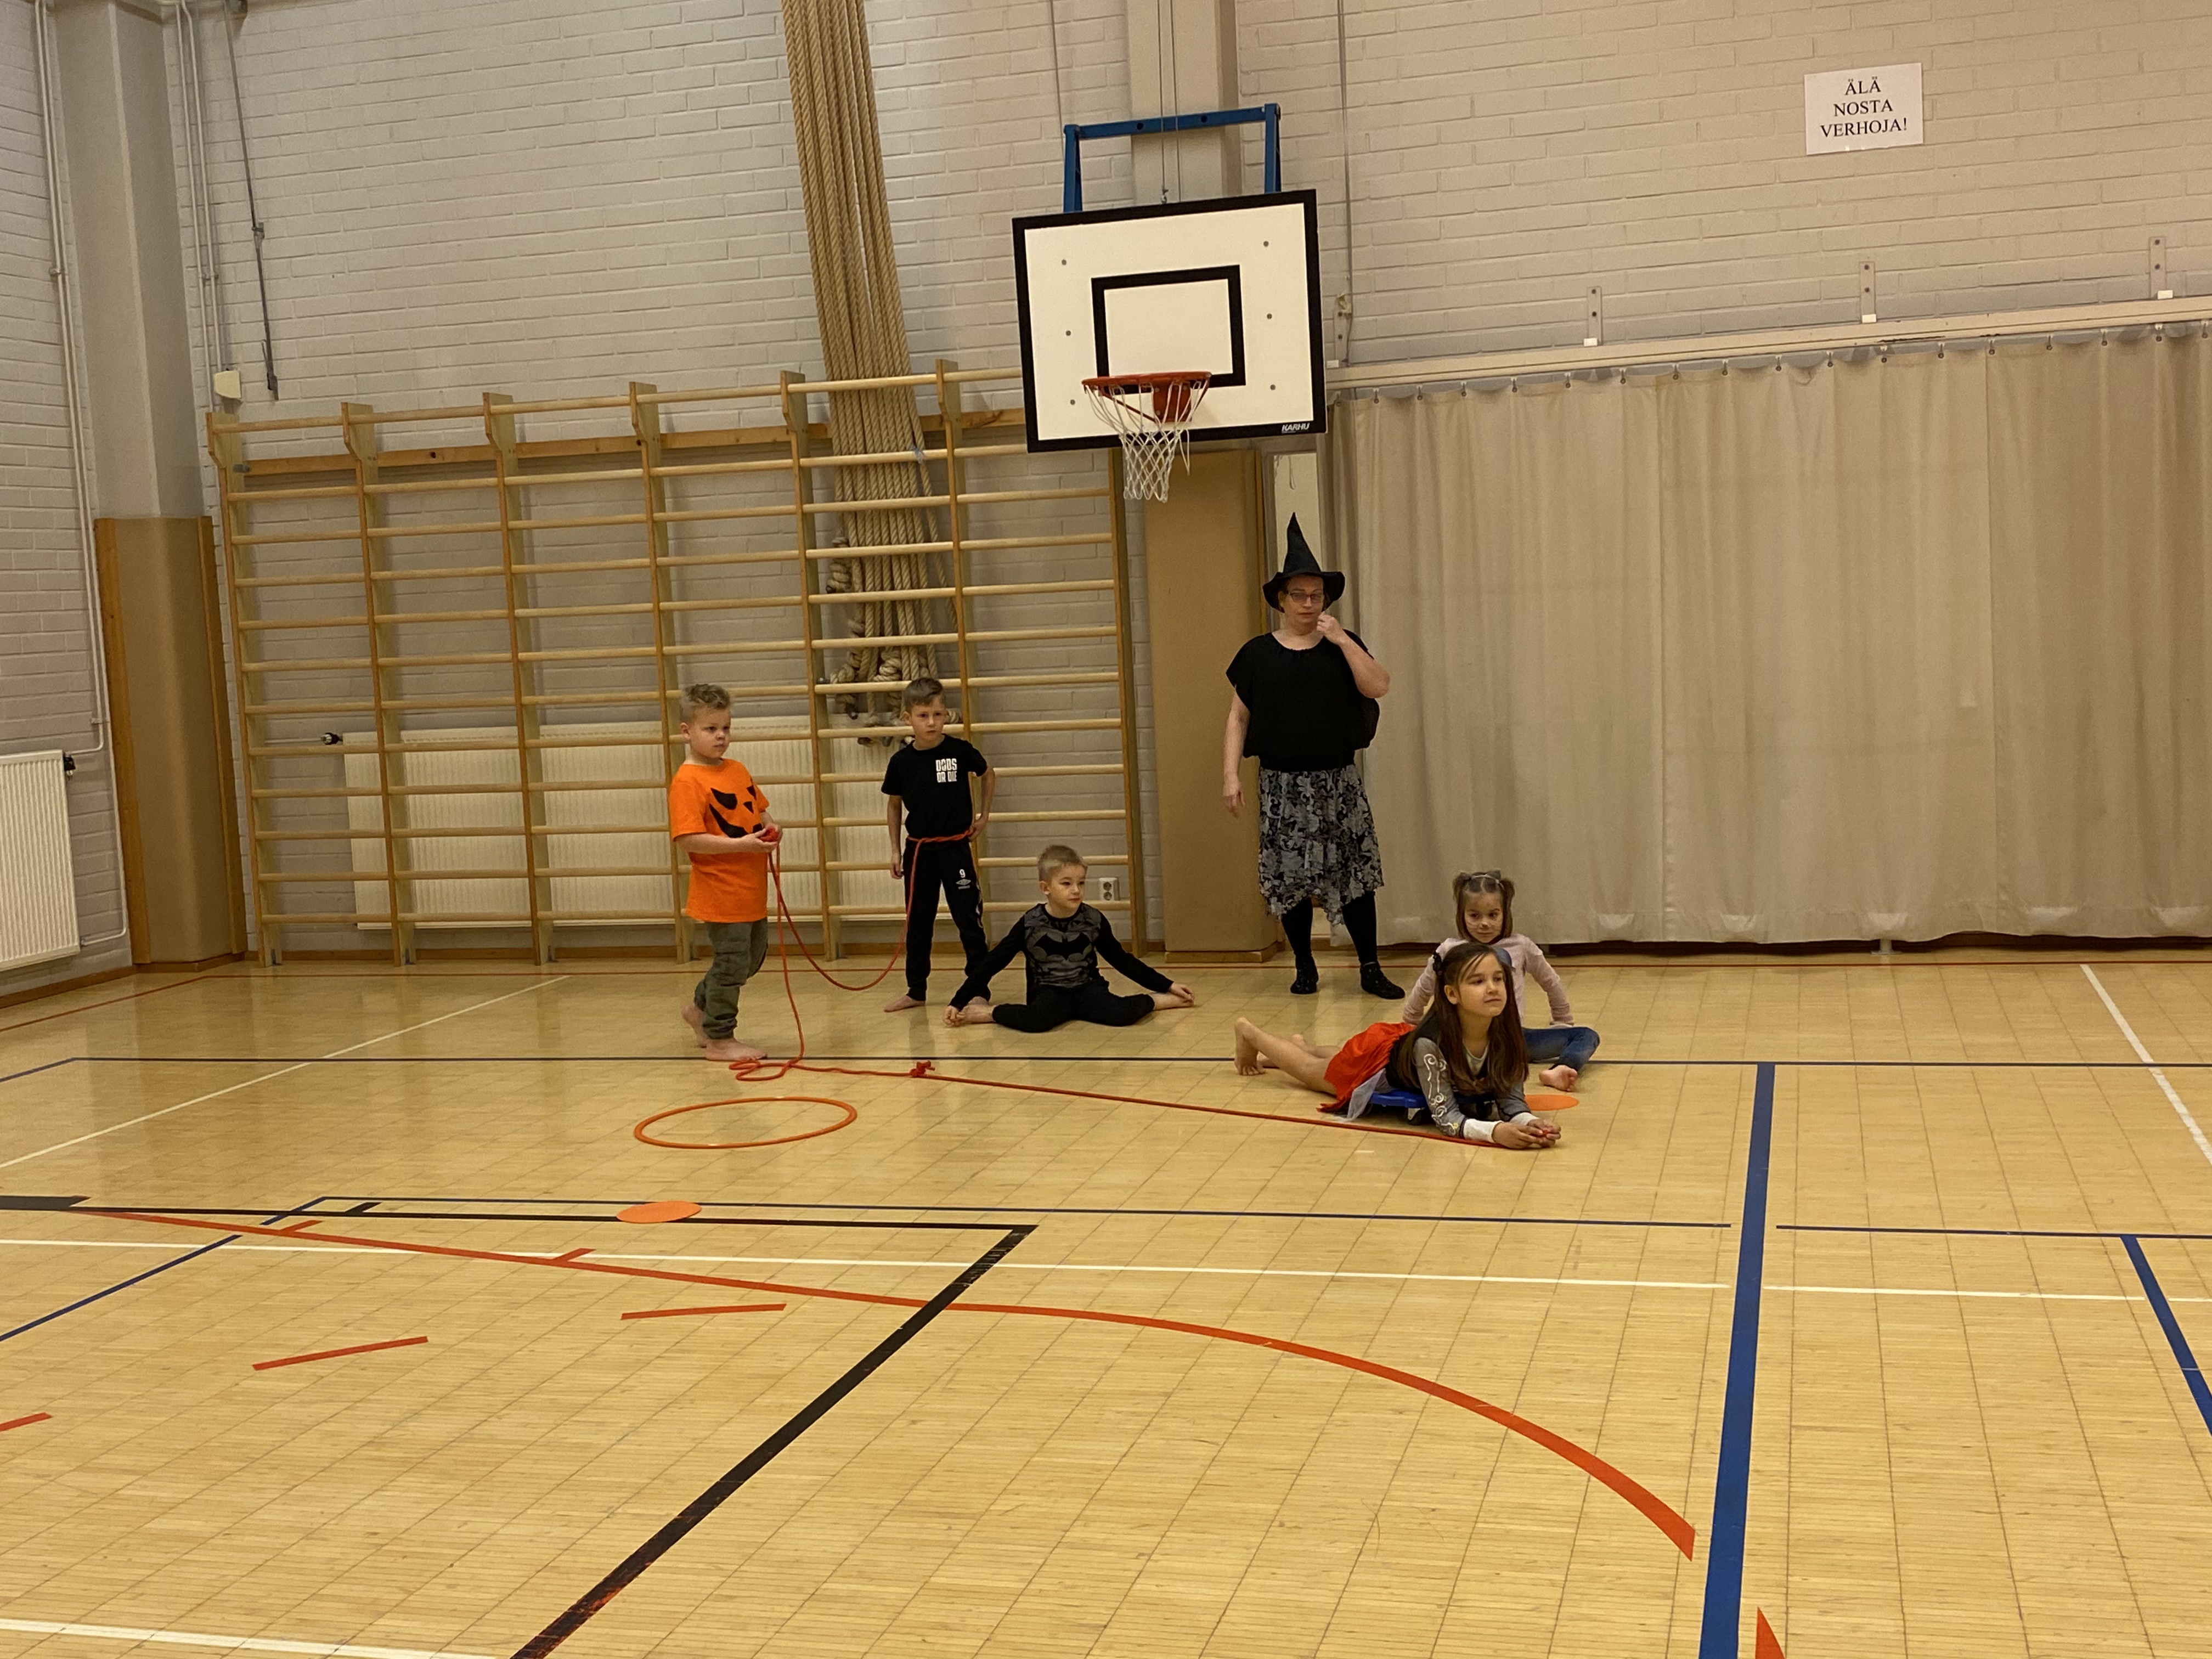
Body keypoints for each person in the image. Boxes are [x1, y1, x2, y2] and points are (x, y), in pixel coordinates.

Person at [1223, 515, 1401, 999]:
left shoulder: (1344, 644)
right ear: (1281, 600)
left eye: (1316, 595)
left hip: (1338, 780)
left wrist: (1342, 640)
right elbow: (1238, 717)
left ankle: (1370, 967)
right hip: (1282, 784)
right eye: (1299, 595)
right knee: (1290, 878)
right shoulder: (1257, 654)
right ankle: (1304, 965)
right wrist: (1230, 775)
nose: (1308, 603)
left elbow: (1379, 686)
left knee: (1357, 875)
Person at [1232, 940, 1560, 1147]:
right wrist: (1494, 1133)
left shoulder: (1507, 1034)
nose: (1492, 988)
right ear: (1451, 994)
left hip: (1399, 1044)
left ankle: (1301, 1043)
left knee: (1332, 1059)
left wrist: (1530, 1124)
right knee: (1311, 1072)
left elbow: (1511, 1100)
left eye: (1498, 979)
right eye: (1478, 981)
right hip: (1377, 1065)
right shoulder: (1431, 1045)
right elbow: (1446, 1117)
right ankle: (1251, 1034)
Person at [947, 844, 1194, 1032]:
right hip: (1048, 991)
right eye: (1066, 884)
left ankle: (1158, 1001)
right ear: (1046, 888)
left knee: (1121, 1015)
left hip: (1087, 988)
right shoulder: (1030, 923)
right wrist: (959, 1001)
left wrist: (1167, 985)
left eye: (1081, 883)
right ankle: (989, 1013)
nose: (1076, 890)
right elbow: (993, 962)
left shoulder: (1093, 920)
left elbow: (1122, 960)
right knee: (1036, 1021)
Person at [1401, 870, 1600, 1092]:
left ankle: (1562, 1069)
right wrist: (1410, 1021)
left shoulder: (1521, 946)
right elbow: (1425, 985)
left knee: (1586, 1036)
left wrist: (1562, 1020)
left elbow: (1550, 981)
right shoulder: (1450, 949)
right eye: (1475, 916)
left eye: (1493, 915)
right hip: (1463, 1040)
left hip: (1512, 1038)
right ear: (1462, 915)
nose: (1485, 924)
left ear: (1505, 914)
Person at [668, 683, 780, 1062]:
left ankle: (700, 1009)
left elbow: (758, 810)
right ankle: (720, 1037)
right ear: (687, 732)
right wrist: (742, 846)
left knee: (750, 960)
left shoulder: (736, 769)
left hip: (751, 889)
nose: (721, 736)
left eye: (726, 728)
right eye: (711, 729)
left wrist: (770, 828)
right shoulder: (687, 781)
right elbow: (689, 839)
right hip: (721, 892)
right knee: (731, 964)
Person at [881, 676, 996, 1013]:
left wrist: (984, 816)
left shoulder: (959, 751)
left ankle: (978, 988)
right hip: (918, 852)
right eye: (923, 716)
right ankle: (916, 990)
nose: (931, 722)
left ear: (946, 715)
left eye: (938, 715)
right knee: (918, 923)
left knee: (968, 919)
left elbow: (988, 774)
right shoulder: (901, 762)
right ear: (908, 718)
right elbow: (893, 805)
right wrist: (894, 850)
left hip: (955, 848)